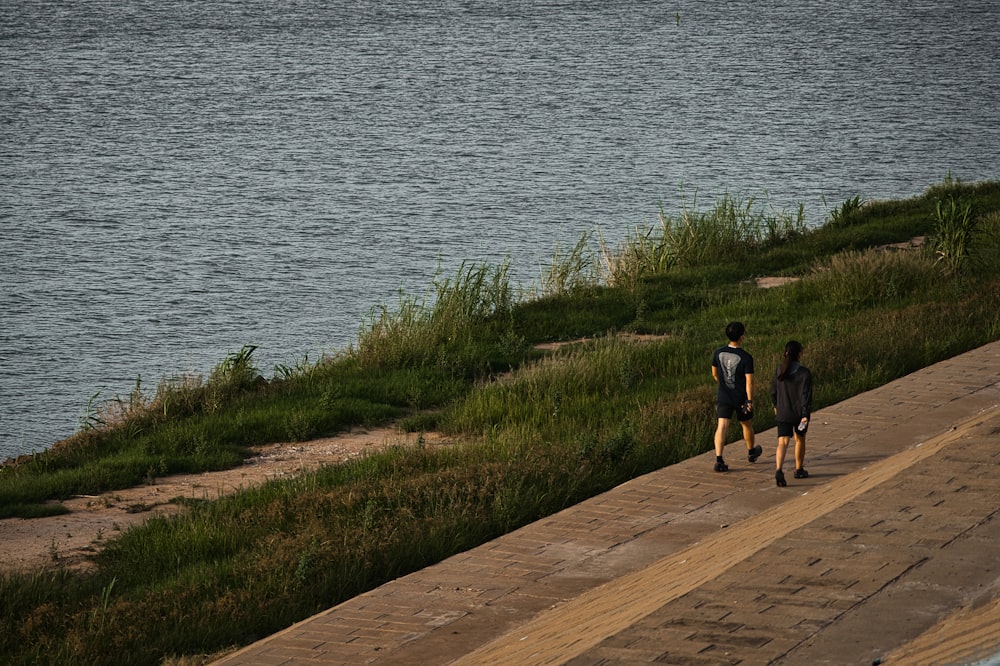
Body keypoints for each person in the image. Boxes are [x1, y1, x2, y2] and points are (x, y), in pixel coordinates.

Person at [711, 321, 759, 472]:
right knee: (746, 424)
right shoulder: (746, 357)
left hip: (724, 395)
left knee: (722, 426)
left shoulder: (718, 352)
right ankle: (751, 452)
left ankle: (719, 459)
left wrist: (723, 385)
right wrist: (749, 400)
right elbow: (749, 383)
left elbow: (714, 373)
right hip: (740, 397)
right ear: (741, 337)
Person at [770, 340, 813, 487]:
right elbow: (806, 396)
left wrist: (776, 405)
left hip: (783, 412)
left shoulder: (779, 369)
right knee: (800, 439)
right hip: (798, 413)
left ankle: (779, 469)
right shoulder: (804, 373)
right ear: (799, 354)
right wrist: (805, 415)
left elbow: (773, 392)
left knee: (782, 442)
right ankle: (799, 468)